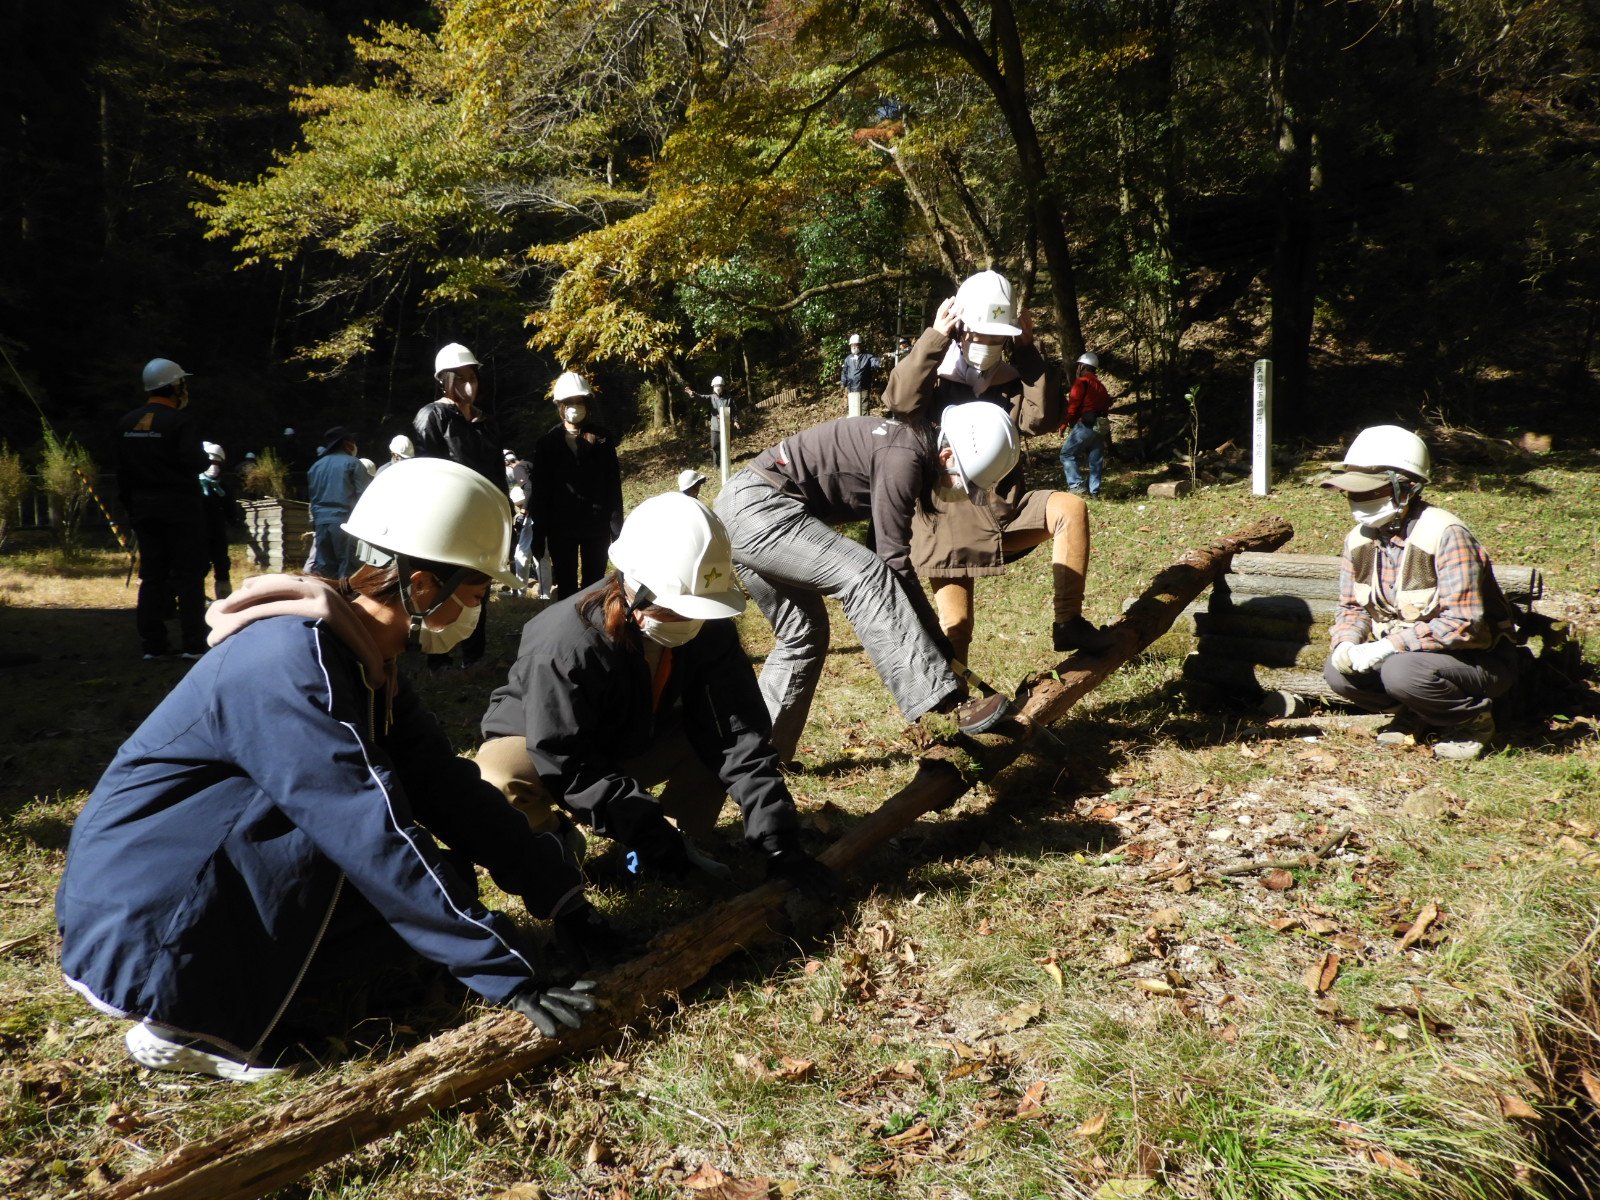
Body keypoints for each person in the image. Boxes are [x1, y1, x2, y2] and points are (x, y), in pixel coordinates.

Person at [56, 458, 601, 1082]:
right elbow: (367, 827)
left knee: (445, 881)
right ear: (423, 587)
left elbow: (444, 786)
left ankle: (244, 986)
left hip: (195, 885)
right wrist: (509, 977)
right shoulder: (290, 660)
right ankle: (184, 1022)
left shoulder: (366, 659)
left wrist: (562, 899)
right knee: (346, 837)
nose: (478, 613)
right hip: (147, 921)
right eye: (476, 595)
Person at [477, 491, 836, 897]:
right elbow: (566, 758)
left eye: (698, 609)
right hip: (544, 745)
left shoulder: (708, 624)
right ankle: (559, 838)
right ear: (636, 590)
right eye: (677, 609)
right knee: (497, 777)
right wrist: (651, 834)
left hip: (634, 737)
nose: (689, 621)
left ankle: (672, 845)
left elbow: (740, 734)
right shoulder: (564, 643)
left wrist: (780, 843)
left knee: (713, 744)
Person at [714, 403, 1022, 762]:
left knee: (804, 635)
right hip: (756, 508)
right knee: (863, 575)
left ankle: (762, 756)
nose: (958, 490)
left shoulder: (903, 449)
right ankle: (943, 705)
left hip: (740, 507)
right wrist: (935, 641)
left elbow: (882, 551)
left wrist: (933, 640)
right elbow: (889, 563)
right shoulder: (902, 457)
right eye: (961, 479)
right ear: (947, 454)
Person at [883, 269, 1112, 663]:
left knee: (1069, 509)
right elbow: (901, 403)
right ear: (960, 328)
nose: (987, 343)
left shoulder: (1010, 379)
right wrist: (934, 338)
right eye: (979, 333)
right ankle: (950, 704)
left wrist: (1026, 351)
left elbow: (1040, 420)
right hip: (947, 520)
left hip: (1006, 509)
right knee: (957, 625)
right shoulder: (934, 374)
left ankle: (1068, 622)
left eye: (997, 337)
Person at [1320, 425, 1522, 761]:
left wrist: (1389, 646)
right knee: (1337, 672)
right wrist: (1346, 642)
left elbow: (1463, 624)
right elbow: (1351, 607)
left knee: (1402, 672)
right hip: (1409, 658)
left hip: (1478, 660)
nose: (1358, 501)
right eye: (1353, 493)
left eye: (1370, 491)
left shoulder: (1445, 534)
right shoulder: (1358, 540)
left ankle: (1472, 720)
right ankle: (1418, 711)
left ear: (1408, 487)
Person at [414, 343, 507, 667]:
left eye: (473, 376)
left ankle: (473, 653)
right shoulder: (433, 416)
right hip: (446, 517)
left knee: (477, 586)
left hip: (482, 517)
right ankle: (438, 654)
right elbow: (427, 469)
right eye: (460, 377)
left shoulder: (487, 422)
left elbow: (498, 472)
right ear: (444, 380)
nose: (469, 384)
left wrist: (503, 514)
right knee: (442, 586)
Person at [116, 358, 209, 660]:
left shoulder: (127, 423)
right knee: (189, 575)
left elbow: (121, 472)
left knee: (152, 576)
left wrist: (132, 508)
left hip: (143, 509)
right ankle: (193, 644)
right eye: (182, 383)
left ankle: (153, 646)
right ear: (173, 386)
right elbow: (196, 462)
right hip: (180, 509)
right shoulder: (181, 422)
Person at [531, 371, 624, 601]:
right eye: (569, 402)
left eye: (579, 401)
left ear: (587, 404)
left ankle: (592, 628)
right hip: (560, 527)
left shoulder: (602, 439)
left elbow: (612, 486)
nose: (574, 407)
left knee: (594, 584)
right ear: (559, 406)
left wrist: (617, 530)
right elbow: (540, 490)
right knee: (566, 585)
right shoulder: (547, 443)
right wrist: (538, 532)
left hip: (596, 525)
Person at [305, 426, 370, 580]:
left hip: (321, 525)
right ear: (345, 443)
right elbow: (364, 497)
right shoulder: (353, 463)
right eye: (352, 441)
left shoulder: (315, 467)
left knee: (325, 571)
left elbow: (312, 499)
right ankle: (347, 603)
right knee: (348, 571)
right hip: (345, 524)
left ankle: (326, 601)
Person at [1059, 351, 1112, 498]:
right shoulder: (1100, 386)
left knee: (1067, 454)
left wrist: (1064, 424)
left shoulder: (1082, 382)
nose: (1077, 369)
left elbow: (1073, 405)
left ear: (1083, 366)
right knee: (1095, 459)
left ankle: (1076, 487)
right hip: (1100, 426)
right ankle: (1093, 491)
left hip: (1087, 425)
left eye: (1078, 366)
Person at [197, 441, 235, 600]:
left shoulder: (223, 488)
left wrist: (235, 521)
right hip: (197, 534)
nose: (214, 466)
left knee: (222, 566)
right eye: (211, 462)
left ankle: (224, 599)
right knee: (198, 568)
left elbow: (230, 511)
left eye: (217, 463)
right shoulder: (194, 485)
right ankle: (196, 598)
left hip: (218, 534)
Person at [683, 376, 737, 464]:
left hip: (726, 426)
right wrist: (693, 394)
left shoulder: (729, 398)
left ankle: (727, 462)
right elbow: (701, 398)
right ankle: (717, 464)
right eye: (716, 386)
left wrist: (736, 421)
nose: (718, 387)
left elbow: (734, 410)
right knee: (715, 445)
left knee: (726, 445)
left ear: (723, 386)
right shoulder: (711, 398)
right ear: (713, 387)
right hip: (715, 427)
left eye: (719, 385)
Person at [839, 334, 882, 417]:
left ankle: (864, 426)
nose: (854, 347)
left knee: (864, 408)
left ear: (860, 345)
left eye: (856, 345)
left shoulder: (867, 357)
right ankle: (854, 426)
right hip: (851, 387)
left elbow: (875, 362)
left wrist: (881, 361)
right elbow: (844, 371)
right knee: (853, 408)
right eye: (852, 345)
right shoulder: (848, 359)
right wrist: (843, 383)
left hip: (863, 387)